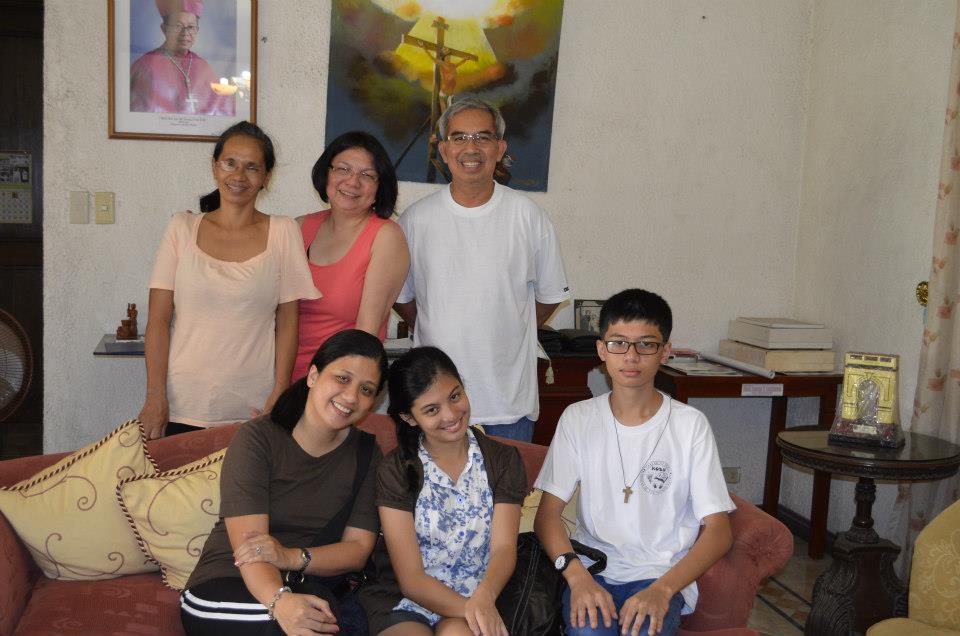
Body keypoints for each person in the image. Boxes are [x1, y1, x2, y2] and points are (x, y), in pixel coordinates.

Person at [534, 289, 735, 636]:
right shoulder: (578, 419)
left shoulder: (690, 425)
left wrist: (663, 590)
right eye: (618, 343)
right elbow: (547, 516)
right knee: (589, 631)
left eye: (646, 344)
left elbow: (719, 531)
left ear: (665, 351)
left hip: (659, 576)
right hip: (594, 570)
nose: (631, 356)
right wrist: (577, 577)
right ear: (601, 350)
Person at [180, 329, 388, 635]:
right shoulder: (258, 438)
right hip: (227, 585)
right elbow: (251, 548)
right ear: (313, 375)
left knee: (321, 619)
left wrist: (290, 557)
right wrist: (280, 602)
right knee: (305, 625)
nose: (351, 397)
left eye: (366, 390)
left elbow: (357, 549)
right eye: (342, 379)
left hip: (305, 586)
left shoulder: (367, 454)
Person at [393, 97, 570, 442]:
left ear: (500, 149)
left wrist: (508, 327)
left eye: (482, 137)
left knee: (508, 481)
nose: (471, 148)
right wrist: (434, 323)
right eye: (459, 137)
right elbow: (402, 297)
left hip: (508, 405)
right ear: (444, 150)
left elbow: (549, 297)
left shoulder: (528, 216)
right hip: (434, 405)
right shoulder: (415, 220)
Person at [139, 121, 319, 439]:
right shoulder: (181, 227)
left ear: (266, 177)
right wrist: (155, 396)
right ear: (214, 167)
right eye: (229, 163)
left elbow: (288, 321)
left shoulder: (283, 231)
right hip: (182, 403)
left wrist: (280, 391)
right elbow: (158, 320)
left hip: (255, 407)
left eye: (252, 167)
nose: (238, 176)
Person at [362, 346, 527, 635]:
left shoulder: (502, 460)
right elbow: (411, 579)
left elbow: (503, 549)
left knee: (457, 632)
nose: (451, 415)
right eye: (432, 410)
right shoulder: (395, 470)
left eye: (455, 396)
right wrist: (475, 610)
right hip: (406, 599)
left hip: (480, 592)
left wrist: (483, 599)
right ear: (409, 417)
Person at [291, 131, 409, 381]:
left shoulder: (386, 237)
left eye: (367, 175)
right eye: (343, 169)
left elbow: (364, 340)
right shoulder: (299, 227)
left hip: (337, 385)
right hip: (278, 380)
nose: (353, 182)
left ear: (380, 187)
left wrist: (328, 391)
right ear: (326, 174)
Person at [130, 0, 236, 116]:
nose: (185, 33)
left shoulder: (204, 67)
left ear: (197, 30)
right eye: (178, 26)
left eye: (190, 27)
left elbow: (224, 111)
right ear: (164, 29)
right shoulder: (145, 65)